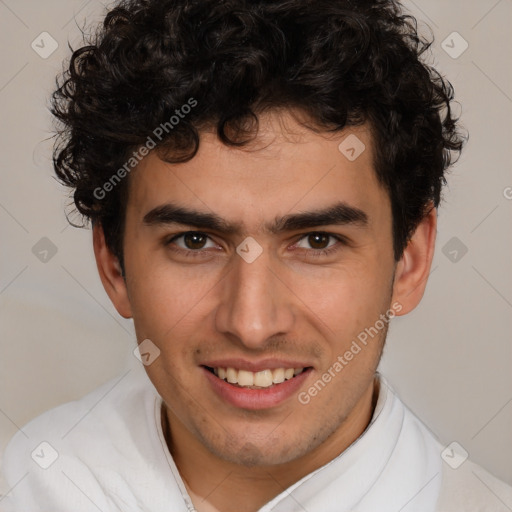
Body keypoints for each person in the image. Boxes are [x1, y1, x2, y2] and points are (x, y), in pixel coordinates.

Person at [1, 0, 511, 510]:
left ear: (411, 260)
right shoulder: (26, 487)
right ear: (114, 265)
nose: (251, 324)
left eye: (317, 241)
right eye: (194, 241)